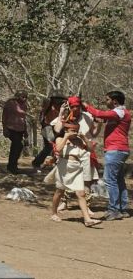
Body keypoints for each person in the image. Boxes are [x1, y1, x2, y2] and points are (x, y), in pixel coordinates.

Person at [83, 91, 131, 221]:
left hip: (115, 150)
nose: (106, 101)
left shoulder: (119, 112)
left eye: (108, 99)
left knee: (110, 181)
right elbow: (100, 118)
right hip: (119, 150)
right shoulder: (118, 114)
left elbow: (99, 114)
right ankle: (121, 209)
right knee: (118, 180)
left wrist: (86, 106)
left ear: (115, 101)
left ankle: (114, 210)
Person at [48, 122, 102, 227]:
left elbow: (90, 149)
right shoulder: (60, 139)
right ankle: (54, 213)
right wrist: (66, 137)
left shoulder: (79, 140)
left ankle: (87, 219)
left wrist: (84, 138)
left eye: (76, 130)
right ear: (66, 130)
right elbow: (58, 149)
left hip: (76, 167)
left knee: (81, 193)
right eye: (72, 130)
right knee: (59, 192)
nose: (75, 132)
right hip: (64, 167)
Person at [32, 95, 65, 170]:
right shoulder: (49, 104)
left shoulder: (62, 107)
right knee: (49, 147)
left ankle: (55, 163)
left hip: (58, 127)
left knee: (58, 146)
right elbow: (43, 111)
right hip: (47, 127)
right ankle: (36, 162)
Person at [1, 92, 28, 174]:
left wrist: (25, 130)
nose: (25, 98)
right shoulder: (10, 104)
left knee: (17, 147)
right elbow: (4, 116)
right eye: (23, 96)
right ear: (18, 96)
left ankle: (13, 166)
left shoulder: (24, 105)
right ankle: (11, 166)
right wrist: (4, 129)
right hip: (11, 128)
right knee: (18, 145)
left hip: (20, 129)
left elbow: (24, 119)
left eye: (26, 97)